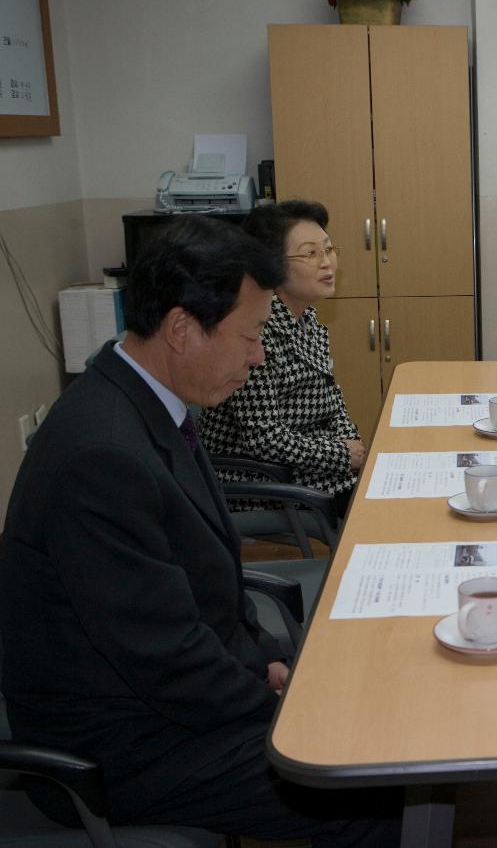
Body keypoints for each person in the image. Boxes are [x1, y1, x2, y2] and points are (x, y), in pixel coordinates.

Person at [0, 217, 400, 844]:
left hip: (176, 699)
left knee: (368, 709)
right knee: (371, 789)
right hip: (128, 744)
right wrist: (278, 705)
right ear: (183, 329)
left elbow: (202, 581)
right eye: (249, 335)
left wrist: (266, 656)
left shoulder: (147, 403)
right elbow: (164, 659)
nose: (259, 354)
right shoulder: (100, 456)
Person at [198, 200, 364, 514]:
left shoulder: (308, 317)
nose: (327, 263)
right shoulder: (255, 331)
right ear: (271, 265)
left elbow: (332, 397)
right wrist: (342, 455)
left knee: (375, 480)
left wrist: (349, 441)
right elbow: (264, 439)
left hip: (306, 457)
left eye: (328, 250)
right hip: (255, 472)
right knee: (368, 497)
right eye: (310, 253)